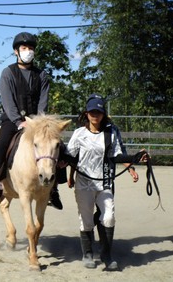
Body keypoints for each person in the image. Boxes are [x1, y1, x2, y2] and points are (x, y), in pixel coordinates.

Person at [60, 93, 145, 271]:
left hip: (105, 181)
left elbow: (119, 154)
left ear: (103, 113)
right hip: (84, 183)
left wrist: (133, 162)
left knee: (109, 217)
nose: (95, 114)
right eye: (92, 111)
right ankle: (88, 253)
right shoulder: (79, 134)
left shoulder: (111, 132)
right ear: (86, 113)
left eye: (98, 111)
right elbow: (70, 156)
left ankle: (106, 254)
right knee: (86, 219)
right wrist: (66, 170)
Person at [0, 32, 63, 209]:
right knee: (2, 144)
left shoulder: (41, 75)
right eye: (24, 48)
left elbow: (43, 101)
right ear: (16, 51)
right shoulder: (8, 73)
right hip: (12, 120)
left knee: (58, 146)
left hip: (36, 121)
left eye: (31, 48)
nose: (28, 51)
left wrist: (37, 122)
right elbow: (7, 101)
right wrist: (19, 122)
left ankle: (54, 189)